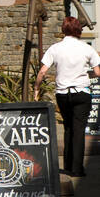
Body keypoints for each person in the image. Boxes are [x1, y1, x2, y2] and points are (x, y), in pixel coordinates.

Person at [34, 17, 100, 178]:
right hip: (81, 92)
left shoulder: (55, 48)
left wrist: (36, 89)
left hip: (63, 94)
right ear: (78, 29)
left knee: (68, 127)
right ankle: (77, 169)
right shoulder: (87, 48)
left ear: (64, 29)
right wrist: (85, 72)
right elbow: (98, 72)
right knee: (78, 130)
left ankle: (68, 165)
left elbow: (42, 71)